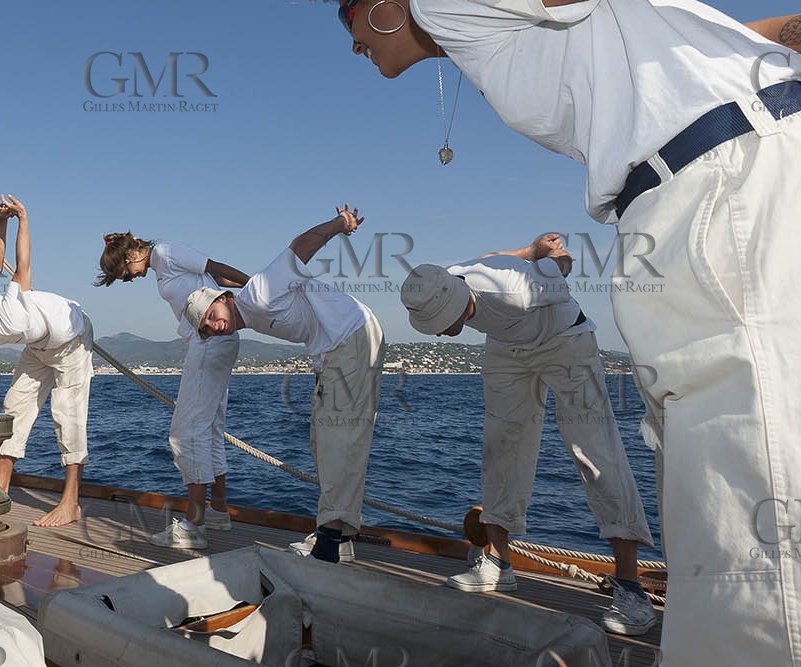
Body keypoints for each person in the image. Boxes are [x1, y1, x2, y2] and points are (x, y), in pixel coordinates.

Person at [318, 0, 801, 664]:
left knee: (791, 599)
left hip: (745, 213)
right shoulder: (615, 21)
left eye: (354, 22)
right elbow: (791, 39)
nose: (356, 44)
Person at [401, 232, 656, 636]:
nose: (437, 333)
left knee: (593, 451)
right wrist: (530, 250)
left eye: (440, 323)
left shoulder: (520, 289)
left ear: (456, 301)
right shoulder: (444, 276)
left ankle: (630, 587)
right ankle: (498, 563)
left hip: (564, 341)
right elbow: (487, 254)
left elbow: (563, 267)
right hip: (506, 347)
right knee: (501, 448)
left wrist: (553, 255)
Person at [185, 205, 384, 564]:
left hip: (350, 336)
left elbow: (302, 245)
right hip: (334, 348)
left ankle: (328, 545)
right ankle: (339, 537)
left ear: (224, 298)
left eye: (212, 316)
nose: (214, 326)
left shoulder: (257, 293)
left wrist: (340, 225)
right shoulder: (253, 314)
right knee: (323, 444)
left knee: (339, 439)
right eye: (205, 329)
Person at [0, 195, 93, 528]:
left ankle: (71, 503)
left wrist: (22, 217)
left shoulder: (10, 318)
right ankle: (0, 487)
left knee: (67, 415)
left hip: (71, 342)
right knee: (14, 409)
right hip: (38, 347)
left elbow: (22, 265)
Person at [95, 234, 249, 549]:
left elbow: (217, 269)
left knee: (185, 433)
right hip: (213, 340)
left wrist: (258, 292)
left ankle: (193, 526)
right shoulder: (161, 264)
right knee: (209, 427)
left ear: (130, 256)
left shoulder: (166, 253)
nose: (131, 279)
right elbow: (213, 276)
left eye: (125, 275)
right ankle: (218, 511)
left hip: (210, 339)